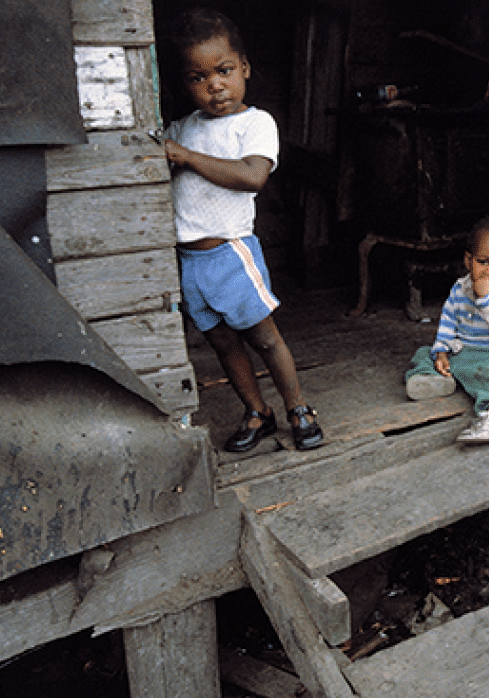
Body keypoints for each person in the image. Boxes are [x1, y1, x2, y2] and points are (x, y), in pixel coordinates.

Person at [163, 8, 323, 452]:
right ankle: (258, 412)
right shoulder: (182, 129)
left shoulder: (255, 123)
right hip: (191, 261)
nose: (214, 85)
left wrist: (187, 157)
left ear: (245, 68)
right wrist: (173, 149)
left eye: (224, 71)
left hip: (232, 254)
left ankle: (298, 409)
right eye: (198, 77)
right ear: (185, 84)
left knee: (265, 338)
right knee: (222, 344)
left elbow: (253, 176)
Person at [405, 213, 489, 443]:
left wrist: (487, 297)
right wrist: (441, 351)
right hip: (464, 352)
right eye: (483, 262)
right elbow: (448, 323)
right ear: (468, 261)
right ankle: (437, 379)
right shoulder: (459, 289)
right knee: (424, 353)